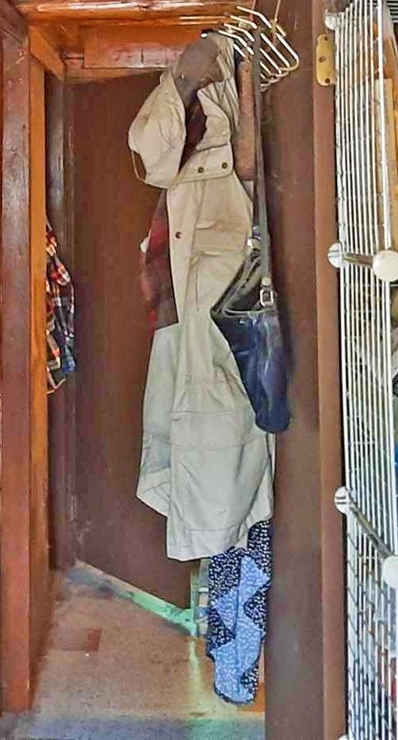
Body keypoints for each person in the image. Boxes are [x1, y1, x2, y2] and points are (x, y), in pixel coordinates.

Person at [127, 33, 273, 563]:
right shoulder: (200, 90)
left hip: (219, 292)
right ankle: (228, 576)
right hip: (196, 295)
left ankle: (235, 577)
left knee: (222, 426)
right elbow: (150, 152)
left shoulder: (254, 78)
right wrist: (188, 77)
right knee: (201, 427)